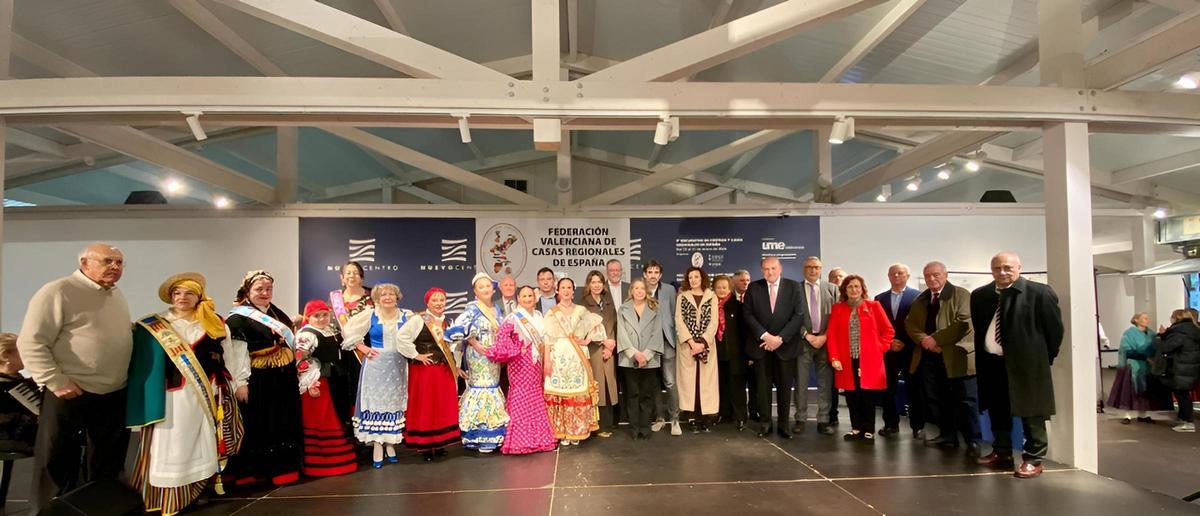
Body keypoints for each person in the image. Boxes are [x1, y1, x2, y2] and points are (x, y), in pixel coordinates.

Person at [18, 243, 133, 511]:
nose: (114, 267)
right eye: (107, 261)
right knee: (57, 457)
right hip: (71, 390)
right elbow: (31, 342)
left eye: (119, 262)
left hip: (113, 390)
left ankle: (102, 507)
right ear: (85, 262)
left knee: (107, 460)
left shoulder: (115, 294)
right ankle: (51, 511)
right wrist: (55, 381)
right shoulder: (58, 291)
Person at [126, 273, 246, 514]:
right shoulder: (154, 325)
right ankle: (168, 496)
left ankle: (197, 489)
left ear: (198, 296)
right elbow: (144, 366)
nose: (182, 298)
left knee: (201, 443)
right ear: (171, 297)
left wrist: (231, 386)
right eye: (177, 293)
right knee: (172, 445)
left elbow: (228, 357)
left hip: (207, 395)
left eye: (189, 293)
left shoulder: (214, 322)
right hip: (172, 398)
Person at [971, 252, 1064, 479]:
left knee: (1031, 412)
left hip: (1028, 365)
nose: (1002, 272)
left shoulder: (1039, 293)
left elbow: (1054, 331)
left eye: (1007, 268)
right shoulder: (980, 295)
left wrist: (1041, 359)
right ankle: (1001, 451)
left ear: (1019, 267)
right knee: (997, 408)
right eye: (997, 268)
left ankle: (1034, 458)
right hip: (992, 363)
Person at [224, 270, 302, 487]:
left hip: (283, 377)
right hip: (258, 378)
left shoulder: (277, 314)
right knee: (260, 422)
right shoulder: (238, 319)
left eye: (268, 289)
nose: (265, 293)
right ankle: (257, 472)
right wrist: (241, 383)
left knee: (283, 420)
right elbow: (236, 353)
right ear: (248, 291)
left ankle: (285, 468)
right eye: (259, 289)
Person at [905, 262, 980, 456]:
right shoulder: (921, 299)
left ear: (945, 274)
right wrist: (925, 341)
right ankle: (947, 435)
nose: (931, 279)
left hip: (957, 357)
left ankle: (973, 441)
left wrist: (935, 339)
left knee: (966, 401)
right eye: (928, 275)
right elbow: (910, 324)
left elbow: (963, 322)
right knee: (938, 399)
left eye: (936, 275)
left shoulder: (961, 295)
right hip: (930, 357)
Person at [340, 283, 411, 468]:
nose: (387, 297)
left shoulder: (407, 316)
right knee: (376, 403)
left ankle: (390, 444)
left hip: (397, 365)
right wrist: (362, 347)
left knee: (393, 402)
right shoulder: (370, 314)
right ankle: (378, 445)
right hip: (375, 365)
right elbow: (348, 331)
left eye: (391, 294)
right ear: (377, 298)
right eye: (383, 294)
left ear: (397, 297)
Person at [483, 285, 558, 454]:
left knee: (535, 395)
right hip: (519, 363)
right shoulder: (513, 318)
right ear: (518, 299)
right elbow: (501, 338)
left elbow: (545, 339)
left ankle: (538, 438)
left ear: (535, 297)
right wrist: (516, 350)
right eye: (523, 296)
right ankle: (520, 440)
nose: (527, 299)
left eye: (530, 295)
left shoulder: (539, 316)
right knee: (521, 395)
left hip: (536, 362)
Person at [742, 256, 807, 439]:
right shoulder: (754, 288)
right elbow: (748, 315)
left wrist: (780, 339)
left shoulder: (794, 287)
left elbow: (798, 315)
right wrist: (766, 336)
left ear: (780, 269)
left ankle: (784, 425)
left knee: (785, 388)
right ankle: (765, 423)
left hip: (785, 347)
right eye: (765, 269)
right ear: (762, 270)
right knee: (762, 388)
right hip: (760, 346)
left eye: (772, 268)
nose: (769, 272)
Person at [395, 288, 462, 461]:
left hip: (442, 370)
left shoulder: (446, 322)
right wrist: (416, 355)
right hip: (424, 371)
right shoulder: (418, 319)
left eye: (442, 300)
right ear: (427, 302)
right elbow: (401, 338)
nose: (439, 303)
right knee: (425, 406)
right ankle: (425, 446)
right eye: (435, 300)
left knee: (441, 407)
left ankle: (439, 443)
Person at [826, 275, 893, 443]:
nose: (854, 290)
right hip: (847, 360)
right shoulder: (838, 309)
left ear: (862, 289)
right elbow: (832, 335)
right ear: (845, 290)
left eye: (857, 286)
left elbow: (888, 330)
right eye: (850, 287)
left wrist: (881, 347)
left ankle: (868, 431)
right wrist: (834, 357)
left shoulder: (874, 306)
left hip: (869, 360)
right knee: (851, 396)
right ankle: (856, 428)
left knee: (867, 396)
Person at [294, 300, 358, 477]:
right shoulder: (306, 334)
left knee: (339, 416)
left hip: (336, 380)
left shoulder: (333, 330)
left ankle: (340, 459)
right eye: (317, 316)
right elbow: (300, 359)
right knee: (323, 420)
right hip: (319, 384)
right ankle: (323, 463)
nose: (321, 318)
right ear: (308, 317)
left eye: (324, 314)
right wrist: (309, 381)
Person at [448, 273, 510, 452]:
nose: (485, 289)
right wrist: (473, 342)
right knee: (482, 387)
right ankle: (478, 432)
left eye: (488, 286)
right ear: (475, 290)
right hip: (478, 356)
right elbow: (455, 331)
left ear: (493, 288)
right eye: (481, 287)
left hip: (494, 356)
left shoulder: (496, 310)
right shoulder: (472, 309)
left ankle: (494, 433)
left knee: (493, 386)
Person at [543, 277, 606, 445]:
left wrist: (587, 340)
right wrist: (547, 361)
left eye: (569, 287)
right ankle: (562, 431)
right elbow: (547, 338)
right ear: (557, 290)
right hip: (559, 356)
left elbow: (598, 326)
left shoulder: (581, 310)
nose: (565, 290)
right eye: (562, 287)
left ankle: (576, 429)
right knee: (560, 394)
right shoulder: (551, 312)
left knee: (576, 394)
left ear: (573, 290)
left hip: (577, 355)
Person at [873, 264, 922, 438]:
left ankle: (918, 427)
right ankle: (890, 425)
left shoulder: (918, 297)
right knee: (887, 390)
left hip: (911, 350)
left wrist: (905, 342)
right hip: (888, 350)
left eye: (900, 273)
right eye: (892, 273)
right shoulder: (879, 298)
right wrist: (889, 342)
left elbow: (920, 324)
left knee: (914, 388)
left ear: (907, 276)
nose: (896, 275)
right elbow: (876, 326)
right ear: (888, 276)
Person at [796, 256, 839, 435]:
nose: (813, 270)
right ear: (803, 269)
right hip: (803, 341)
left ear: (821, 269)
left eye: (816, 267)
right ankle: (800, 418)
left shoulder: (832, 289)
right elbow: (792, 316)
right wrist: (806, 335)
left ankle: (823, 420)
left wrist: (825, 336)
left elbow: (837, 316)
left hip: (825, 341)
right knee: (801, 382)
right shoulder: (794, 289)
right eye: (809, 267)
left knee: (825, 383)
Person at [617, 279, 665, 440]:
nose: (639, 291)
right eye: (636, 288)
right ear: (631, 290)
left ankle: (645, 428)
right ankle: (634, 428)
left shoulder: (655, 308)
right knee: (632, 394)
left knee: (646, 395)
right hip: (629, 359)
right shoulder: (623, 309)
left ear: (646, 291)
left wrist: (646, 355)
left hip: (649, 359)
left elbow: (657, 333)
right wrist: (634, 354)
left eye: (642, 288)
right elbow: (621, 334)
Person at [676, 267, 720, 432]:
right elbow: (679, 321)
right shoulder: (682, 297)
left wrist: (703, 342)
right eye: (690, 277)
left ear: (702, 278)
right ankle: (691, 416)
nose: (694, 279)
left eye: (696, 276)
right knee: (690, 382)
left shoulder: (712, 296)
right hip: (687, 347)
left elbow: (713, 322)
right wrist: (692, 343)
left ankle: (706, 416)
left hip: (706, 346)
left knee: (706, 382)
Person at [329, 261, 372, 426]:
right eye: (348, 273)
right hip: (342, 349)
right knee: (344, 386)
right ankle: (348, 425)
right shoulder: (336, 297)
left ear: (361, 277)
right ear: (342, 278)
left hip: (366, 347)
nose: (352, 276)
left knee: (363, 386)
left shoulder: (371, 296)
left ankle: (367, 426)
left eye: (355, 273)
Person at [578, 270, 620, 437]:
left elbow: (615, 324)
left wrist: (611, 345)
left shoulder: (608, 301)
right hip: (594, 350)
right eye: (593, 282)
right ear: (588, 284)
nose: (596, 285)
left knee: (610, 385)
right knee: (598, 387)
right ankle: (599, 425)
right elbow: (584, 329)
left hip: (610, 349)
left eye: (599, 282)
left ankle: (611, 423)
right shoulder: (583, 304)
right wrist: (603, 342)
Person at [643, 260, 681, 435]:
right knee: (654, 383)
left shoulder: (669, 290)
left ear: (660, 275)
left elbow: (674, 315)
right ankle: (659, 418)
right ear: (645, 274)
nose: (652, 275)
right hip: (648, 344)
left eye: (656, 272)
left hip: (667, 342)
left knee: (671, 382)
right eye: (649, 272)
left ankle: (674, 419)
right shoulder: (639, 289)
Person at [1106, 313, 1162, 424]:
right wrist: (1144, 357)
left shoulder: (1151, 333)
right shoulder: (1129, 333)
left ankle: (1143, 414)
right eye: (1144, 318)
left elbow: (1156, 347)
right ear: (1136, 320)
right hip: (1133, 365)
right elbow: (1126, 350)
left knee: (1145, 390)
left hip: (1147, 367)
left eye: (1147, 318)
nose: (1147, 320)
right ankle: (1127, 415)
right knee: (1129, 391)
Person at [1152, 309, 1200, 432]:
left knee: (1182, 395)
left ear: (1177, 318)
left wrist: (1159, 337)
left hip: (1180, 368)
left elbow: (1166, 347)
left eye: (1172, 316)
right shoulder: (1193, 330)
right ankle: (1182, 418)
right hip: (1189, 367)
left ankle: (1187, 422)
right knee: (1182, 394)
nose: (1170, 319)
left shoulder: (1180, 332)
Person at [713, 275, 749, 430]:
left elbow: (745, 333)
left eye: (724, 287)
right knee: (721, 385)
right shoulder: (711, 306)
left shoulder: (738, 307)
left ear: (730, 289)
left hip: (736, 355)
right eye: (718, 287)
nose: (721, 290)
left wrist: (746, 354)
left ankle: (740, 416)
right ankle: (724, 413)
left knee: (737, 386)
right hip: (717, 354)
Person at [0, 333, 38, 456]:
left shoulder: (22, 382)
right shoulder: (3, 385)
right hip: (11, 438)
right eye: (23, 351)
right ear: (6, 355)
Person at [732, 269, 757, 421]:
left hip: (753, 348)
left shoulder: (755, 298)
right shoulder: (727, 300)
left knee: (755, 382)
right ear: (734, 282)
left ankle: (754, 411)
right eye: (742, 280)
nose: (745, 283)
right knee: (737, 384)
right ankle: (738, 413)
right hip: (735, 350)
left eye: (747, 280)